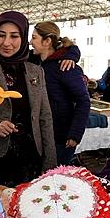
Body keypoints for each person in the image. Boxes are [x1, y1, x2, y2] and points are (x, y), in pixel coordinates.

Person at [0, 11, 56, 186]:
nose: (7, 43)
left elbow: (44, 117)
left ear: (23, 38)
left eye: (14, 36)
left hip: (30, 158)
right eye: (1, 35)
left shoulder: (36, 71)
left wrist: (50, 164)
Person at [30, 21, 89, 166]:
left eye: (34, 38)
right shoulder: (36, 62)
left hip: (61, 136)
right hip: (42, 133)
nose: (30, 42)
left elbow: (83, 101)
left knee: (54, 178)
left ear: (47, 41)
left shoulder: (65, 66)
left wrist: (75, 134)